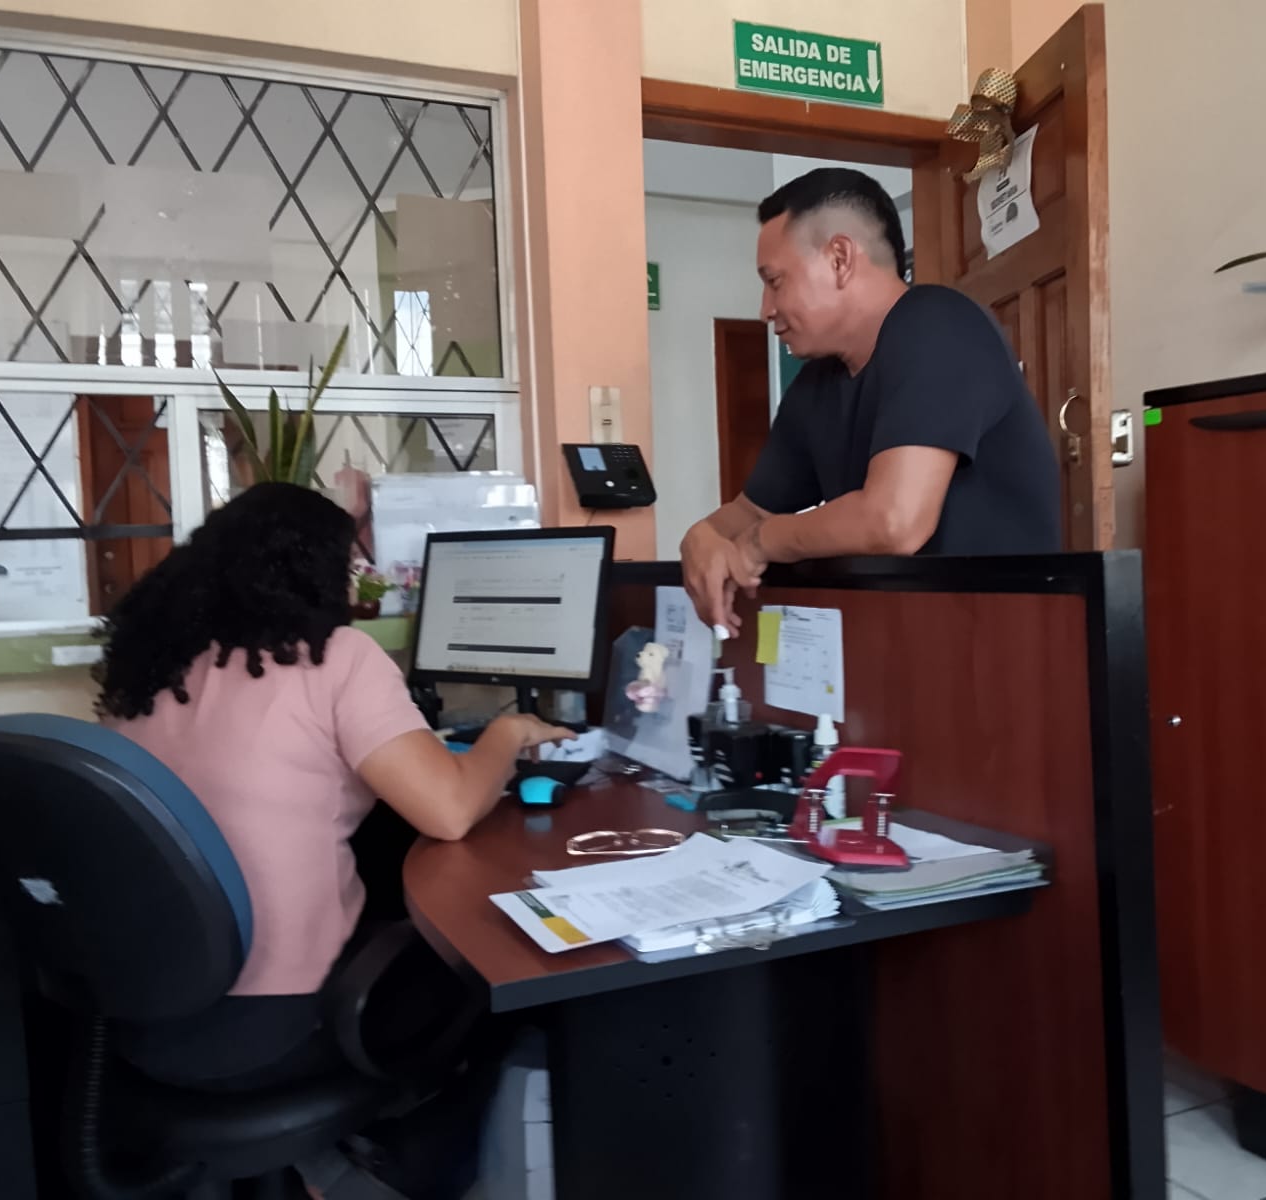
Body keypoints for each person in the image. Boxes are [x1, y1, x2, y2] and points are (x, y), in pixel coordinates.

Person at [95, 482, 573, 1093]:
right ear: (317, 571)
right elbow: (450, 810)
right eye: (349, 567)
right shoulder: (334, 656)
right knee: (499, 967)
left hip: (146, 1009)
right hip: (283, 1019)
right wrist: (508, 733)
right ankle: (437, 1139)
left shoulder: (153, 664)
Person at [680, 167, 1062, 634]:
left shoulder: (938, 324)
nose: (765, 310)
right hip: (902, 639)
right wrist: (701, 537)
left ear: (840, 258)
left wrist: (761, 542)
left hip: (1003, 641)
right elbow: (748, 513)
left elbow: (895, 521)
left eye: (775, 281)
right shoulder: (817, 383)